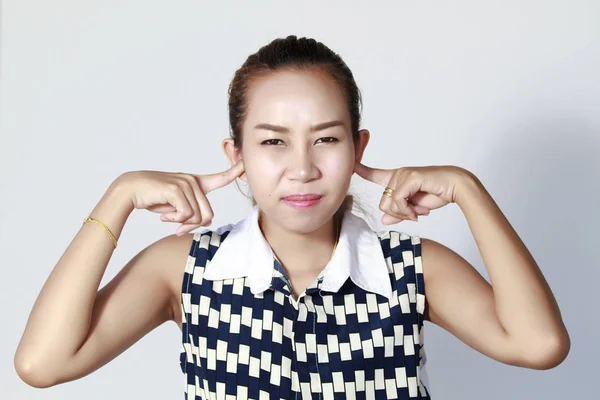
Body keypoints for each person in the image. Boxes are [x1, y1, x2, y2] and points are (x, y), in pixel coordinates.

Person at [14, 35, 570, 399]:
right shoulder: (185, 270)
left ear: (357, 147)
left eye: (326, 139)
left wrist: (470, 192)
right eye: (274, 142)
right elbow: (43, 363)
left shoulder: (410, 269)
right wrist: (118, 197)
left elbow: (539, 346)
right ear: (237, 156)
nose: (302, 169)